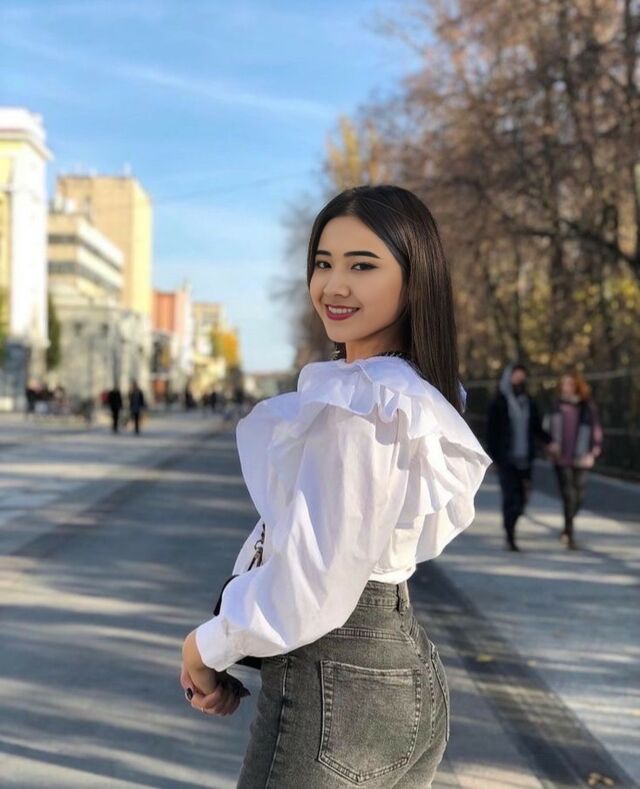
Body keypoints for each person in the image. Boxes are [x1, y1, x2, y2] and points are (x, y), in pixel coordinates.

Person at [180, 185, 492, 787]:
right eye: (323, 263)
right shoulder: (413, 396)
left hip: (337, 679)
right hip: (405, 668)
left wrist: (205, 645)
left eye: (362, 266)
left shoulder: (361, 402)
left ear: (415, 280)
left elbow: (314, 583)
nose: (334, 285)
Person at [487, 363, 558, 551]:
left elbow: (536, 428)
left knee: (522, 499)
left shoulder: (529, 403)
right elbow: (491, 433)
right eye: (515, 377)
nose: (519, 381)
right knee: (510, 498)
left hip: (525, 458)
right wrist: (493, 457)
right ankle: (510, 535)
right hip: (506, 459)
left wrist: (550, 442)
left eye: (522, 377)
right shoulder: (499, 403)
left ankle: (511, 524)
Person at [546, 372, 603, 549]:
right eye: (563, 384)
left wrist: (595, 447)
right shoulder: (556, 405)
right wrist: (549, 444)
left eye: (570, 384)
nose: (566, 387)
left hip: (582, 456)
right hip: (561, 457)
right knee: (568, 495)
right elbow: (546, 427)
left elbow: (596, 427)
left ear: (577, 385)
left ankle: (567, 527)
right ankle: (569, 532)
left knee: (579, 496)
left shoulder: (587, 406)